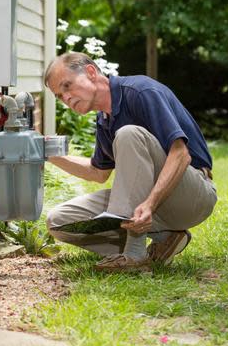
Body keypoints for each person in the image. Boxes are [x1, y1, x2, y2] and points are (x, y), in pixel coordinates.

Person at [43, 52, 217, 271]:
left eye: (67, 86)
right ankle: (165, 238)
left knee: (128, 134)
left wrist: (150, 203)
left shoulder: (141, 92)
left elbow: (181, 154)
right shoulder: (104, 120)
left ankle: (134, 255)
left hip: (191, 196)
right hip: (151, 208)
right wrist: (48, 154)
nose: (66, 98)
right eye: (59, 96)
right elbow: (98, 172)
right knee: (59, 221)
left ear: (90, 72)